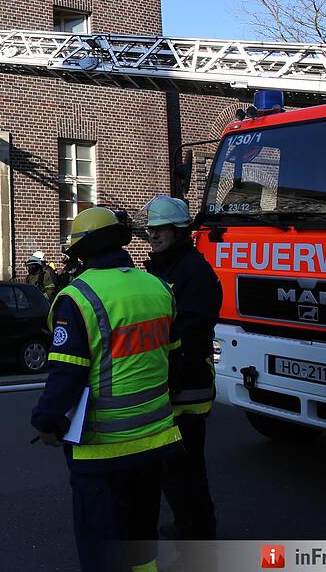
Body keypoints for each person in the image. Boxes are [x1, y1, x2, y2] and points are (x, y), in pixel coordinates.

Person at [32, 207, 182, 572]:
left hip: (102, 448)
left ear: (81, 252)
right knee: (142, 535)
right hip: (155, 439)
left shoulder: (77, 297)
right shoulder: (157, 287)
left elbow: (66, 375)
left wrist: (45, 421)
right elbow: (174, 357)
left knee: (101, 543)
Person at [143, 195, 222, 541]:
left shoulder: (194, 272)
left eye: (162, 230)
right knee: (173, 468)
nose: (154, 236)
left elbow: (191, 330)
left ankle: (196, 532)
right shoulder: (167, 267)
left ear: (180, 231)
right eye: (151, 230)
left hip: (187, 384)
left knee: (185, 468)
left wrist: (169, 373)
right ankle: (190, 526)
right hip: (172, 381)